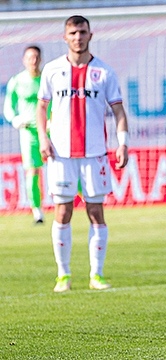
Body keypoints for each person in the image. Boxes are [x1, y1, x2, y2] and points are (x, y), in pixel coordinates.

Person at [36, 15, 130, 293]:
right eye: (73, 33)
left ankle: (96, 275)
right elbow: (41, 107)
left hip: (95, 154)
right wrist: (43, 138)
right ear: (65, 37)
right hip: (61, 154)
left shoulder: (104, 72)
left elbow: (118, 111)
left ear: (91, 35)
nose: (78, 37)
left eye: (83, 32)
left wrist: (122, 143)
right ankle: (63, 275)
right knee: (62, 211)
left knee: (95, 211)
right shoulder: (52, 70)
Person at [4, 45, 46, 224]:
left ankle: (79, 201)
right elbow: (8, 106)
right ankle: (37, 211)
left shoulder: (46, 78)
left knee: (62, 166)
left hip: (50, 130)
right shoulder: (17, 81)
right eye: (30, 57)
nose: (33, 61)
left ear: (40, 59)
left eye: (36, 57)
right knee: (32, 172)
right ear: (24, 60)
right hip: (28, 132)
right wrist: (15, 119)